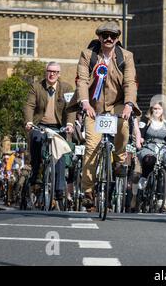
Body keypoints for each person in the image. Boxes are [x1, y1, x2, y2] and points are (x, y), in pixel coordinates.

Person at [70, 21, 141, 210]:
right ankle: (87, 191)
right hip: (93, 108)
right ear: (99, 37)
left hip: (117, 106)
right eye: (104, 35)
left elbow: (130, 82)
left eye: (113, 36)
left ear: (117, 39)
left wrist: (128, 105)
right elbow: (82, 81)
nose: (108, 38)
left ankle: (119, 161)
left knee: (124, 129)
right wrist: (84, 103)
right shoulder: (88, 55)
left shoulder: (126, 56)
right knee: (92, 147)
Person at [24, 62, 75, 201]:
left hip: (59, 127)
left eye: (55, 72)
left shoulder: (66, 88)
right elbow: (29, 105)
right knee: (36, 142)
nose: (52, 74)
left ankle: (59, 189)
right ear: (45, 72)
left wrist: (70, 124)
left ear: (59, 74)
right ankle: (36, 175)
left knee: (59, 154)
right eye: (49, 71)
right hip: (40, 125)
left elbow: (71, 108)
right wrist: (29, 121)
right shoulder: (36, 87)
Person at [137, 101, 166, 213]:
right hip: (149, 146)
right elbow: (141, 133)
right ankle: (145, 177)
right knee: (149, 159)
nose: (156, 111)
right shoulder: (146, 120)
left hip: (163, 147)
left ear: (163, 110)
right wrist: (140, 139)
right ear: (151, 110)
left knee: (165, 164)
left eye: (159, 109)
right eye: (154, 109)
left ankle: (161, 200)